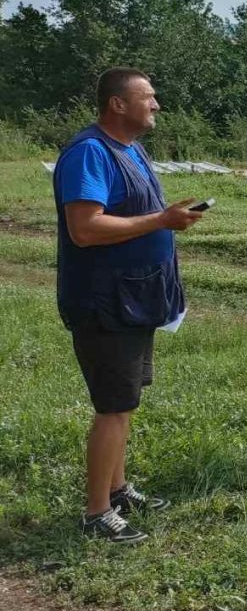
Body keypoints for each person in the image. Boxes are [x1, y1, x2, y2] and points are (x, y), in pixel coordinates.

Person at [53, 67, 204, 544]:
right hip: (104, 301)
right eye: (148, 97)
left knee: (126, 402)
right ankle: (96, 514)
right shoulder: (89, 154)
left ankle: (117, 490)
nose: (156, 104)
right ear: (117, 104)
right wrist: (162, 219)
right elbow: (85, 228)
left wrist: (165, 219)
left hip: (135, 299)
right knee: (112, 408)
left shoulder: (131, 149)